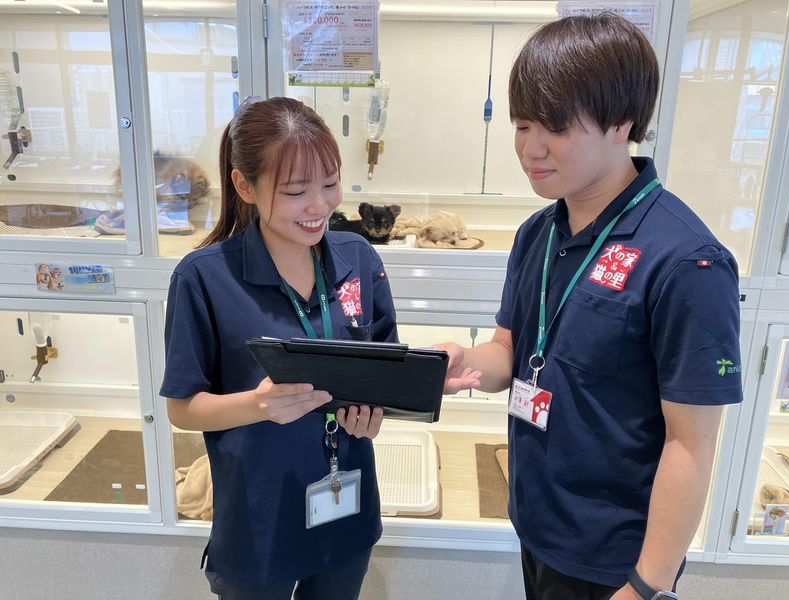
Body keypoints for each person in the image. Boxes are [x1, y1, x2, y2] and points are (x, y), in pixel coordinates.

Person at [440, 13, 743, 600]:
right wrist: (464, 363)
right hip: (538, 524)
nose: (530, 149)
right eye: (522, 125)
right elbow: (510, 349)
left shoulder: (687, 261)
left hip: (615, 561)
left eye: (555, 127)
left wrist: (647, 585)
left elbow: (692, 443)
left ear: (621, 122)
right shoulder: (538, 231)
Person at [160, 96, 397, 599]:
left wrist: (375, 413)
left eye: (330, 183)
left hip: (346, 508)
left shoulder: (358, 257)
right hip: (258, 519)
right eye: (295, 191)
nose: (320, 206)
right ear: (245, 186)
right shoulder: (203, 278)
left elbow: (385, 373)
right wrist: (258, 404)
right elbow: (182, 408)